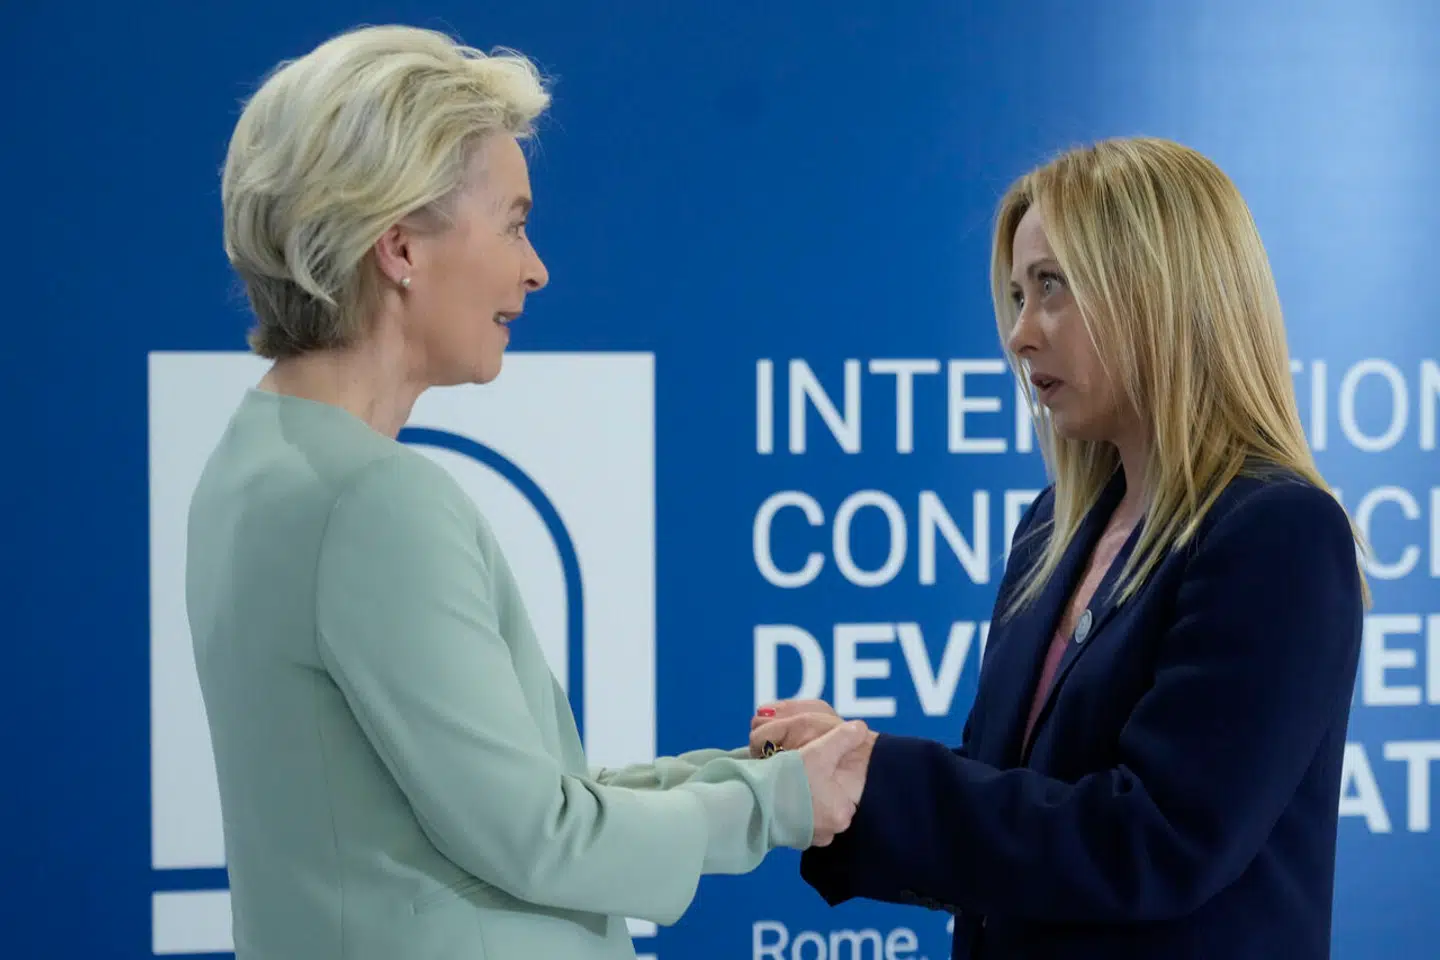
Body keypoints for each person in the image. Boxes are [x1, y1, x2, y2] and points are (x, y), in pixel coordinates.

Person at [189, 24, 870, 960]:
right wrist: (779, 804)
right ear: (399, 247)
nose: (535, 267)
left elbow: (516, 800)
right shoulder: (372, 503)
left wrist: (745, 774)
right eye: (512, 221)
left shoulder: (254, 459)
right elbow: (539, 838)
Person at [751, 136, 1368, 959]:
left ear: (1157, 290)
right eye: (1015, 294)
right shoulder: (1054, 528)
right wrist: (845, 780)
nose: (1019, 334)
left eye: (1053, 287)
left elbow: (1159, 844)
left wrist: (882, 775)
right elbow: (1015, 812)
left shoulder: (1278, 532)